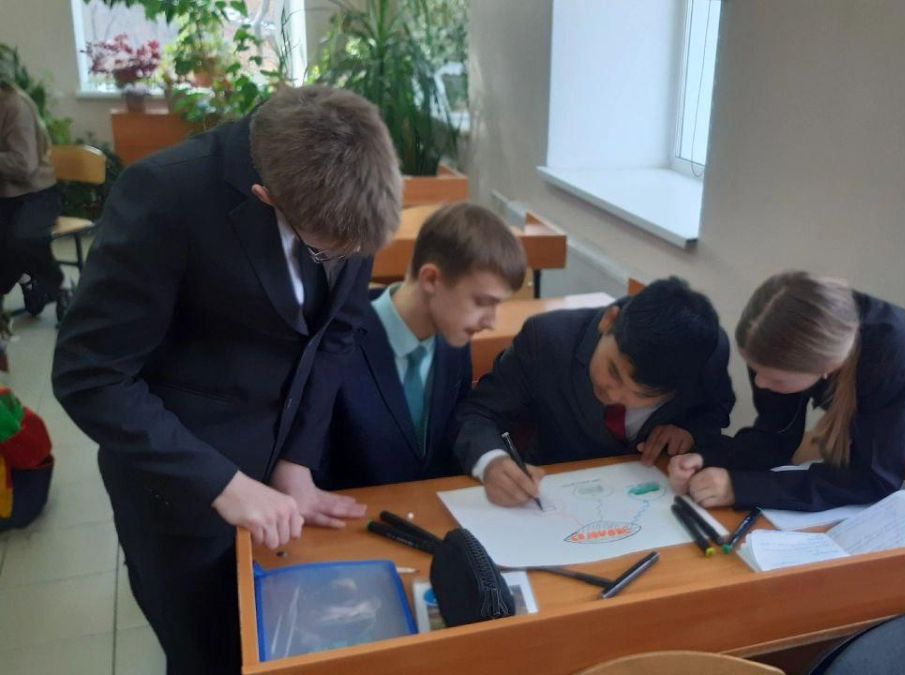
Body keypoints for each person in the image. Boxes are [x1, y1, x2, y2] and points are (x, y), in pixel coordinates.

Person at [52, 85, 403, 674]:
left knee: (283, 651)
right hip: (181, 488)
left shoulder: (352, 190)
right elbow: (90, 375)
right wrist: (223, 483)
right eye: (327, 253)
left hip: (280, 474)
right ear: (266, 199)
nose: (347, 262)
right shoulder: (165, 194)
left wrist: (296, 461)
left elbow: (335, 334)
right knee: (207, 656)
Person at [671, 270, 905, 511]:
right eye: (756, 370)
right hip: (889, 416)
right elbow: (776, 436)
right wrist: (709, 457)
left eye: (775, 380)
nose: (760, 384)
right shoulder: (776, 348)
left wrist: (740, 488)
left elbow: (873, 480)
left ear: (826, 368)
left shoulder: (894, 363)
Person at [456, 277, 735, 507]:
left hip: (654, 497)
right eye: (613, 371)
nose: (615, 396)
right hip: (551, 494)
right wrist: (491, 462)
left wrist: (690, 431)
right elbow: (477, 413)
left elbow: (715, 409)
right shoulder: (547, 340)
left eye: (642, 397)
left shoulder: (707, 356)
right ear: (609, 321)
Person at [317, 202, 526, 489]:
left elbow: (452, 433)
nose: (491, 322)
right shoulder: (338, 339)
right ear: (431, 279)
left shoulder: (453, 337)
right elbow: (314, 469)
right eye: (481, 302)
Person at [0, 68, 69, 320]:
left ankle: (61, 285)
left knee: (23, 239)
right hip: (4, 195)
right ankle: (29, 280)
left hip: (36, 193)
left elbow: (23, 164)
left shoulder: (14, 105)